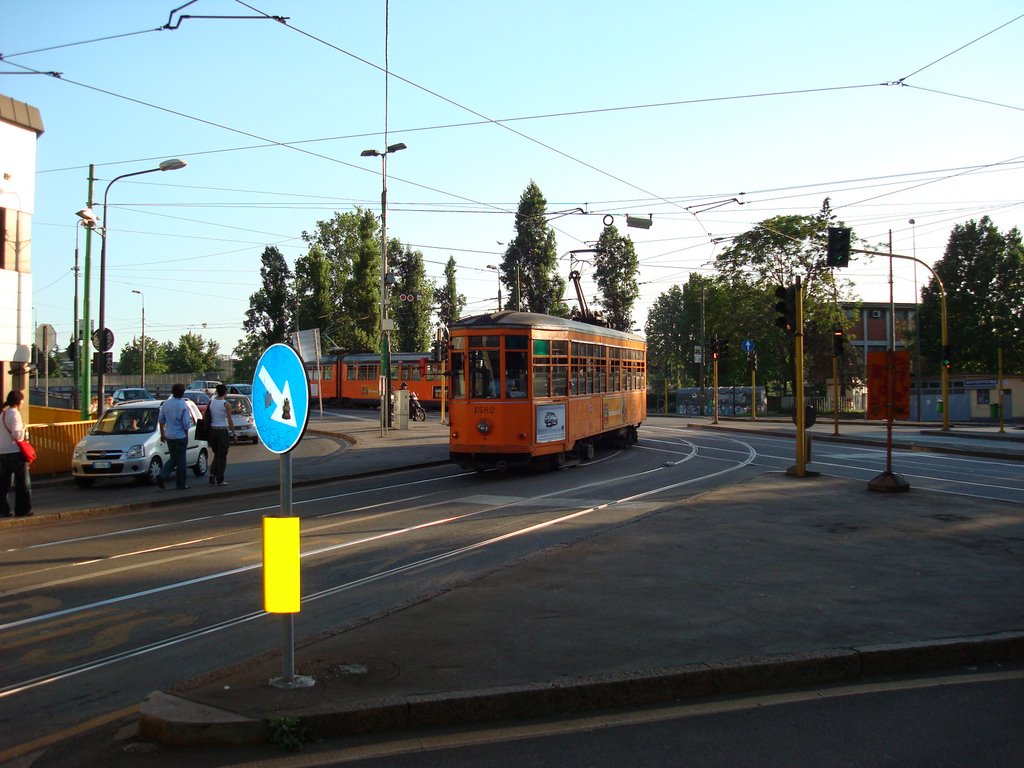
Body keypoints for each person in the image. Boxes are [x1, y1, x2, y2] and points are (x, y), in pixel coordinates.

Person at [0, 391, 33, 518]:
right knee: (23, 483)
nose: (23, 403)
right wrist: (24, 428)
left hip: (3, 452)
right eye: (23, 400)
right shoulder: (15, 414)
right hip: (14, 452)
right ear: (18, 402)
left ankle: (4, 510)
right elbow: (17, 435)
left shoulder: (3, 414)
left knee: (4, 484)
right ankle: (22, 509)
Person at [156, 383, 193, 490]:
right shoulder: (183, 404)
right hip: (180, 435)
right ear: (182, 393)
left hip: (170, 435)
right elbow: (186, 423)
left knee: (174, 458)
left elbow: (161, 419)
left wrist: (163, 433)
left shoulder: (166, 404)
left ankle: (162, 475)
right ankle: (181, 483)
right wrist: (186, 435)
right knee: (181, 460)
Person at [207, 384, 236, 486]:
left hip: (212, 431)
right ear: (225, 392)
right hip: (222, 431)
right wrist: (233, 433)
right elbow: (230, 420)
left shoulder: (211, 402)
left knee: (216, 453)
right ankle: (220, 479)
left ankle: (212, 474)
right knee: (222, 456)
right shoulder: (225, 404)